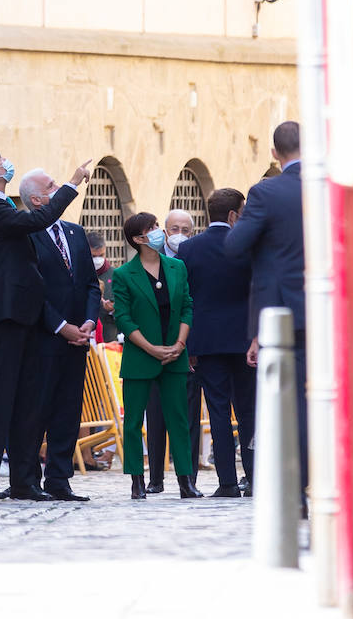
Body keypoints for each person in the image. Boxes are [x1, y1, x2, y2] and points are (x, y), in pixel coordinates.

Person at [0, 145, 92, 500]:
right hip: (5, 313)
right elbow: (36, 220)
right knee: (1, 399)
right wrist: (71, 183)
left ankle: (22, 481)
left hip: (20, 313)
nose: (5, 161)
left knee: (21, 400)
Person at [225, 120, 307, 502]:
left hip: (282, 313)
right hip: (327, 310)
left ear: (274, 153)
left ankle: (294, 485)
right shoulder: (330, 188)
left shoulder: (266, 192)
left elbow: (234, 246)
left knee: (289, 402)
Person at [21, 169, 101, 502]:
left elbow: (90, 286)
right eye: (51, 186)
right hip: (43, 338)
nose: (58, 189)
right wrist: (60, 326)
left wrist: (87, 322)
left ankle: (59, 477)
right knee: (36, 410)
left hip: (78, 339)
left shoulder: (75, 232)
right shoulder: (27, 235)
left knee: (68, 411)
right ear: (37, 200)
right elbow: (31, 290)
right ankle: (28, 479)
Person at [111, 212, 201, 500]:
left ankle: (186, 481)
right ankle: (137, 481)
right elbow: (123, 318)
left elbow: (187, 306)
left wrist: (179, 344)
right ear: (138, 239)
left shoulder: (177, 267)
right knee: (135, 420)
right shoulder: (124, 274)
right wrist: (150, 348)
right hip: (140, 356)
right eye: (151, 229)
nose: (157, 231)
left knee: (179, 418)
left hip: (175, 354)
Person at [179, 187, 256, 498]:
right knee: (249, 411)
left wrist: (189, 344)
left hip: (207, 341)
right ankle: (254, 477)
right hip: (244, 339)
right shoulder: (248, 246)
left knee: (218, 411)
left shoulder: (188, 249)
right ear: (234, 214)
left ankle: (226, 482)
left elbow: (186, 298)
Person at [145, 208, 202, 493]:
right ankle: (155, 478)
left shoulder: (193, 259)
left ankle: (188, 477)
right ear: (165, 230)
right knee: (156, 416)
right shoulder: (150, 257)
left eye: (186, 230)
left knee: (187, 415)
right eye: (175, 228)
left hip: (184, 346)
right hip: (153, 346)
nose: (180, 234)